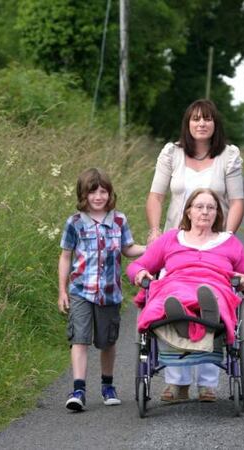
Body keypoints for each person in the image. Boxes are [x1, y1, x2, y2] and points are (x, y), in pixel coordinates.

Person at [145, 99, 244, 403]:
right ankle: (177, 381)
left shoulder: (228, 155)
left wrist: (225, 237)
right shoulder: (171, 153)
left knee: (208, 300)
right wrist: (155, 231)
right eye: (196, 119)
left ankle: (207, 381)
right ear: (187, 124)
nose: (201, 124)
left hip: (212, 240)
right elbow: (155, 196)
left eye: (207, 119)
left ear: (215, 124)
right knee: (173, 300)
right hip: (176, 243)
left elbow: (237, 201)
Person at [129, 189, 244, 401]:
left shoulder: (229, 242)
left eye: (211, 208)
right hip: (176, 285)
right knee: (169, 297)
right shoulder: (171, 238)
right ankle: (187, 320)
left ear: (218, 214)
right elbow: (137, 266)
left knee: (210, 296)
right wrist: (140, 273)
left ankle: (198, 319)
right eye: (199, 207)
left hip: (214, 285)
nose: (205, 212)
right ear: (188, 212)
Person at [58, 168, 145, 412]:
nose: (98, 196)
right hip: (80, 290)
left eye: (103, 191)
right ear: (83, 194)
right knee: (80, 338)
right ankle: (78, 389)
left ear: (109, 193)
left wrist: (152, 247)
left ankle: (108, 386)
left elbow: (127, 249)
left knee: (107, 341)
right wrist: (62, 291)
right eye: (92, 191)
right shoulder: (74, 223)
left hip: (109, 292)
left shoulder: (119, 220)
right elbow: (65, 257)